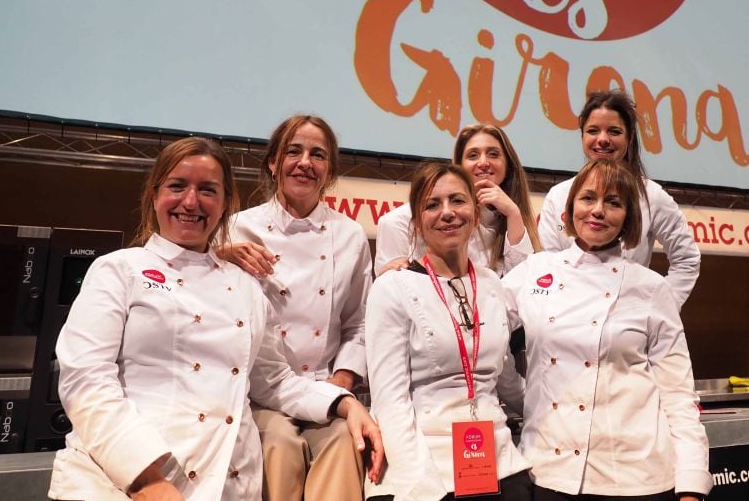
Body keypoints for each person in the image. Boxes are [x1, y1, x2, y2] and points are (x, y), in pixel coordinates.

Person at [48, 137, 383, 501]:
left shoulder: (247, 288)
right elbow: (86, 381)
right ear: (154, 195)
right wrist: (146, 479)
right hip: (119, 475)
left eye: (208, 190)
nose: (191, 202)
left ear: (225, 205)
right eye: (177, 186)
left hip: (223, 478)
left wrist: (345, 403)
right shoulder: (118, 269)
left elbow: (274, 382)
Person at [503, 159, 712, 501]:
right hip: (548, 471)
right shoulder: (536, 270)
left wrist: (692, 484)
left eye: (613, 202)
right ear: (569, 209)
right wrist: (521, 395)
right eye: (588, 198)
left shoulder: (651, 288)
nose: (598, 210)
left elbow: (678, 393)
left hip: (636, 477)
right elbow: (482, 333)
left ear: (628, 219)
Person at [217, 115, 372, 501]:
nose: (305, 162)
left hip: (324, 385)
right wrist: (219, 256)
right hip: (258, 394)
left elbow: (358, 323)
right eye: (293, 152)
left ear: (329, 171)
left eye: (318, 155)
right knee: (280, 443)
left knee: (344, 439)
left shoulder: (350, 235)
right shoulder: (236, 229)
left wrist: (342, 382)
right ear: (273, 163)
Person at [365, 162, 532, 501]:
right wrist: (419, 483)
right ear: (416, 222)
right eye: (432, 204)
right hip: (422, 456)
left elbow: (506, 380)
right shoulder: (392, 287)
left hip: (496, 455)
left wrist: (558, 412)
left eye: (457, 200)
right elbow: (389, 400)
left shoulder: (492, 284)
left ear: (475, 213)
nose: (447, 213)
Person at [538, 90, 700, 307]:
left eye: (614, 131)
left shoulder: (652, 196)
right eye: (593, 130)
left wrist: (658, 308)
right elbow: (549, 264)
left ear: (629, 137)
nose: (602, 139)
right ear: (582, 136)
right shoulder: (558, 195)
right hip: (567, 312)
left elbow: (687, 259)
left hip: (626, 317)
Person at [375, 124, 539, 276]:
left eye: (493, 154)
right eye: (473, 155)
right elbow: (391, 286)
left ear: (508, 165)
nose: (483, 162)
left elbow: (521, 287)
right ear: (459, 166)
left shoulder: (513, 217)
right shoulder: (400, 221)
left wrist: (513, 213)